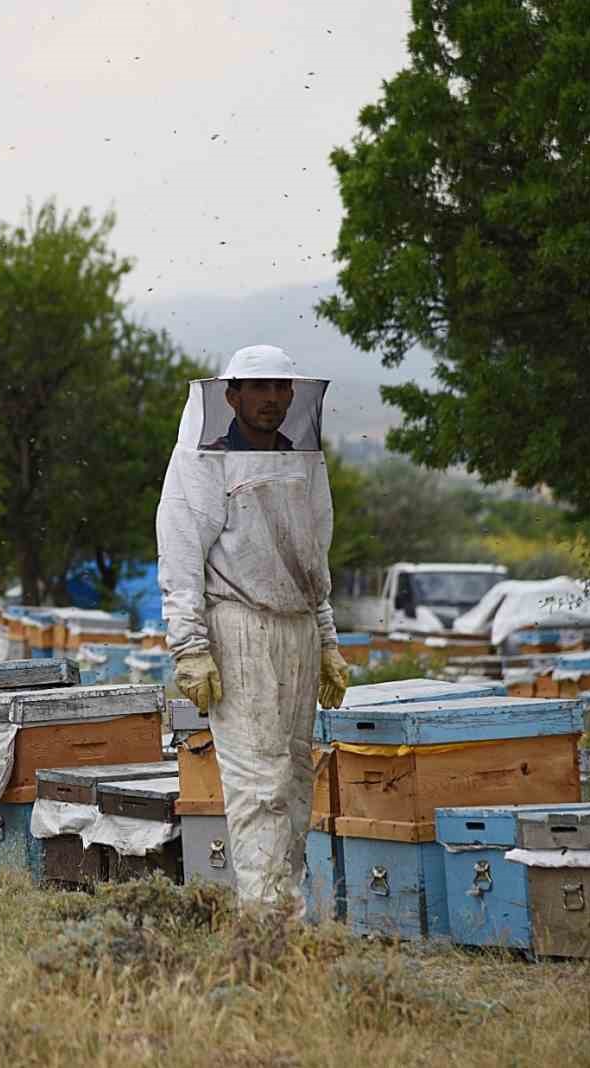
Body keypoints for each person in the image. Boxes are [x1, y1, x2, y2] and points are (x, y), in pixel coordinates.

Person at [155, 345, 349, 905]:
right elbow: (181, 554)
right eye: (257, 388)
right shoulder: (204, 459)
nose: (271, 399)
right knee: (258, 782)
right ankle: (264, 924)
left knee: (292, 781)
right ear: (231, 395)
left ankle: (284, 912)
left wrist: (327, 639)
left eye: (280, 388)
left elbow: (315, 555)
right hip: (237, 626)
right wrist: (189, 647)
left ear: (294, 395)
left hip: (298, 627)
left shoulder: (301, 457)